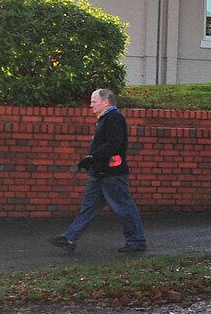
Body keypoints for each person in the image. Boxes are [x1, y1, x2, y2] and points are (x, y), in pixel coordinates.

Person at [49, 87, 147, 254]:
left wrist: (92, 158)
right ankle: (69, 238)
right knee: (89, 207)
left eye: (94, 101)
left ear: (105, 102)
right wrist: (92, 160)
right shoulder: (105, 118)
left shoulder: (114, 118)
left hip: (111, 173)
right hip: (100, 173)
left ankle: (137, 240)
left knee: (123, 206)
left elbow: (113, 144)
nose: (91, 105)